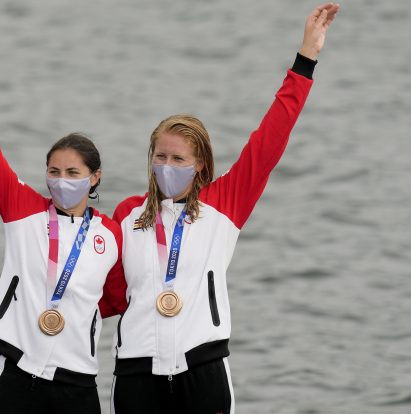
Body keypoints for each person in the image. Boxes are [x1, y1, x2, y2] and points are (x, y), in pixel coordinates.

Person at [108, 3, 340, 413]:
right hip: (136, 372)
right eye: (160, 157)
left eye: (178, 160)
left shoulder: (223, 204)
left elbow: (271, 137)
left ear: (200, 164)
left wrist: (306, 59)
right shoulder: (127, 215)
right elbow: (100, 291)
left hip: (203, 366)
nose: (167, 167)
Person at [0, 17, 126, 414]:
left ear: (95, 177)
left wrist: (70, 312)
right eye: (54, 172)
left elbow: (116, 298)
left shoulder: (111, 235)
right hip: (18, 372)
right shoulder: (22, 209)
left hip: (78, 381)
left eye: (73, 173)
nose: (61, 181)